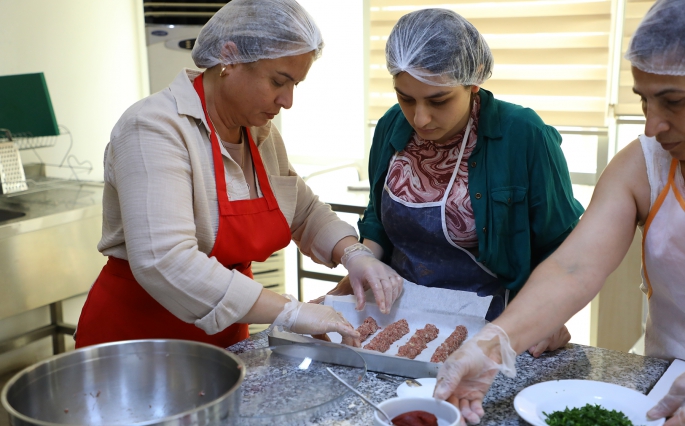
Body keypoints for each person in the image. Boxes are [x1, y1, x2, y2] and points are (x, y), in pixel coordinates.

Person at [74, 0, 403, 349]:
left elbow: (303, 212)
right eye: (279, 81)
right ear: (229, 58)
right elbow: (165, 260)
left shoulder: (259, 132)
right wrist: (289, 311)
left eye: (296, 84)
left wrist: (352, 254)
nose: (288, 100)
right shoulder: (154, 128)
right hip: (140, 340)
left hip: (224, 338)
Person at [432, 0, 685, 424]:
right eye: (643, 101)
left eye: (673, 102)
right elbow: (573, 268)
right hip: (666, 384)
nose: (651, 125)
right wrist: (491, 347)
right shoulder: (646, 166)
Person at [316, 8, 580, 353]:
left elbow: (562, 247)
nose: (420, 118)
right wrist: (361, 268)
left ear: (473, 82)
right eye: (405, 97)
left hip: (494, 325)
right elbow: (378, 220)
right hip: (399, 317)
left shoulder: (524, 135)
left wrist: (548, 316)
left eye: (438, 100)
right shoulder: (392, 127)